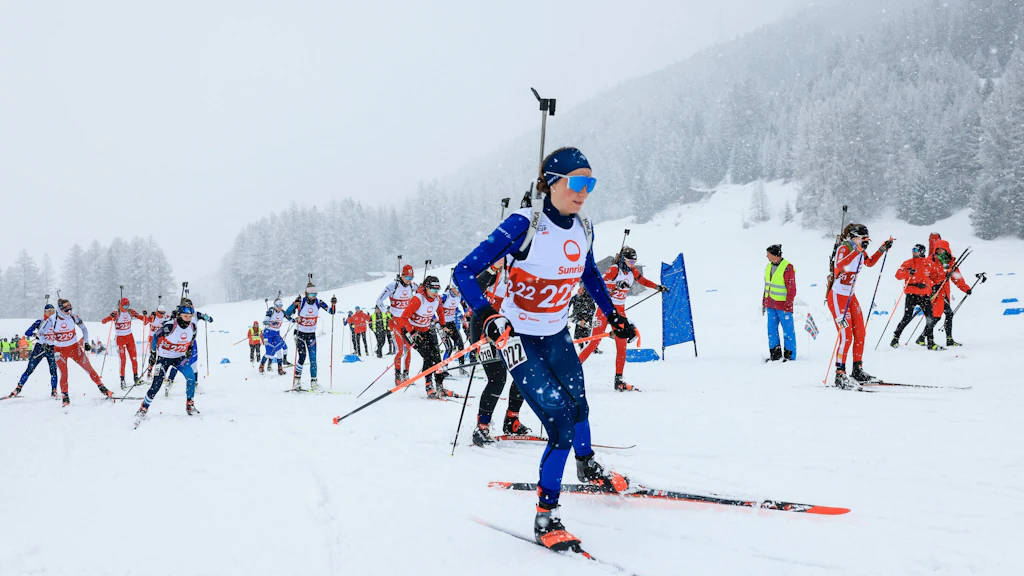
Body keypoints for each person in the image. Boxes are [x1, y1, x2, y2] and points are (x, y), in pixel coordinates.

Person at [454, 146, 635, 552]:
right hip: (519, 339)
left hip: (556, 335)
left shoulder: (584, 227)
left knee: (580, 405)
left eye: (590, 183)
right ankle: (546, 516)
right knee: (560, 425)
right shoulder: (524, 225)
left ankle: (587, 465)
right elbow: (463, 271)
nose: (584, 192)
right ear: (552, 183)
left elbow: (588, 273)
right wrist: (485, 313)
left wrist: (613, 316)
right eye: (577, 182)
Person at [577, 246, 667, 391]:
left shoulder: (632, 271)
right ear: (623, 260)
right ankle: (570, 371)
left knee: (622, 346)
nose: (632, 264)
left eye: (634, 262)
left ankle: (618, 380)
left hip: (620, 311)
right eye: (630, 262)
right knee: (594, 343)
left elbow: (643, 281)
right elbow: (600, 284)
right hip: (605, 310)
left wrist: (657, 287)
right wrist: (616, 284)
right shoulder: (614, 269)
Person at [465, 256, 532, 446]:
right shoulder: (496, 269)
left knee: (523, 376)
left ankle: (512, 420)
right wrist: (493, 268)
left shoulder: (526, 270)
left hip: (511, 330)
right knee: (497, 379)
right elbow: (474, 290)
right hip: (484, 328)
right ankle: (482, 426)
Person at [828, 224, 893, 388]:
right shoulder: (844, 248)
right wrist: (857, 250)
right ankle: (840, 374)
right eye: (863, 238)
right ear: (854, 237)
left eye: (867, 239)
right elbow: (840, 265)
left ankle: (857, 369)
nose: (865, 241)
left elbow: (869, 263)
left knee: (860, 333)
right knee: (846, 336)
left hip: (850, 296)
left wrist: (882, 249)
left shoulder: (860, 250)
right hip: (837, 297)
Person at [136, 299, 201, 419]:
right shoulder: (170, 326)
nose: (187, 319)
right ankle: (144, 407)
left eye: (190, 316)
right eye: (185, 316)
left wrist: (189, 349)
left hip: (179, 358)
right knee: (156, 384)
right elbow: (156, 337)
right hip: (164, 358)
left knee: (191, 377)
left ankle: (190, 405)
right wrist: (153, 354)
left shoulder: (193, 327)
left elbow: (192, 340)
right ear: (179, 315)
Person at [396, 275, 456, 398]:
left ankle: (440, 386)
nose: (436, 292)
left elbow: (440, 312)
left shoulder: (437, 299)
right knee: (428, 357)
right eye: (433, 289)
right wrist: (412, 332)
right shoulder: (418, 299)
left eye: (438, 289)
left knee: (437, 358)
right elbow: (403, 318)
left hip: (426, 329)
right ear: (427, 288)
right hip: (411, 331)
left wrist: (443, 326)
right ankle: (429, 386)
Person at [52, 299, 113, 406]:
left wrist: (87, 342)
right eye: (66, 310)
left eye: (70, 309)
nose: (69, 312)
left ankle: (102, 388)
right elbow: (42, 332)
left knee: (89, 368)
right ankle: (65, 397)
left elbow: (84, 329)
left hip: (74, 348)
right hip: (60, 351)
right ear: (60, 309)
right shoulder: (53, 319)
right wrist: (47, 344)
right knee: (64, 373)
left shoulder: (73, 316)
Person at [284, 283, 336, 391]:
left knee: (313, 359)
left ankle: (314, 382)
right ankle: (297, 381)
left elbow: (332, 312)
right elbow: (287, 314)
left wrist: (333, 303)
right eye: (311, 294)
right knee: (302, 356)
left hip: (311, 334)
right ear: (306, 294)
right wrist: (294, 305)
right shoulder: (301, 302)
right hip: (299, 333)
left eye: (315, 294)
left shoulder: (318, 302)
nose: (313, 296)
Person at [891, 244, 943, 349]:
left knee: (930, 318)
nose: (913, 252)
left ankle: (931, 342)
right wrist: (908, 273)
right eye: (913, 250)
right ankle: (895, 338)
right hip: (911, 294)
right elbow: (898, 275)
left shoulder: (929, 263)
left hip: (924, 295)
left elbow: (936, 277)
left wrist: (931, 284)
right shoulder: (908, 263)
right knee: (907, 317)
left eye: (916, 250)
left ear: (922, 252)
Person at [6, 304, 59, 399]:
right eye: (49, 311)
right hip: (40, 348)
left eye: (53, 311)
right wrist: (35, 334)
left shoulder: (56, 322)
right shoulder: (40, 321)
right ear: (45, 312)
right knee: (30, 369)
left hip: (51, 348)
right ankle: (18, 388)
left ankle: (54, 391)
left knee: (53, 371)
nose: (51, 313)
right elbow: (27, 332)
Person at [376, 265, 418, 384]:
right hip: (395, 322)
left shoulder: (412, 286)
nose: (409, 280)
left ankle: (406, 375)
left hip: (407, 322)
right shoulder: (393, 286)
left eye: (411, 277)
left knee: (408, 349)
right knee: (399, 350)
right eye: (408, 277)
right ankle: (398, 376)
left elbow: (422, 291)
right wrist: (386, 312)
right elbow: (379, 301)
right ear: (402, 275)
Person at [100, 297, 147, 389]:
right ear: (120, 305)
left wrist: (145, 315)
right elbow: (103, 322)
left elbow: (144, 320)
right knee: (123, 360)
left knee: (134, 358)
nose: (126, 308)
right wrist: (110, 317)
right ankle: (122, 380)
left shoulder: (130, 312)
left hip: (130, 338)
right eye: (124, 306)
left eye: (128, 306)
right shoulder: (117, 313)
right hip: (120, 339)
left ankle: (136, 378)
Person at [762, 244, 797, 361]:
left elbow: (791, 289)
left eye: (768, 254)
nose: (767, 256)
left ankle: (789, 356)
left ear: (775, 255)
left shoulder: (787, 268)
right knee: (772, 331)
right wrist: (764, 300)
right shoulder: (769, 266)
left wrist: (788, 304)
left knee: (788, 331)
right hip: (771, 305)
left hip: (783, 306)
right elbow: (767, 285)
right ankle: (775, 355)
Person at [439, 283, 468, 373]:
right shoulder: (445, 296)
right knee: (449, 347)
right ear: (452, 288)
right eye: (457, 289)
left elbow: (464, 304)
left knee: (460, 344)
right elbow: (435, 306)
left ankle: (461, 367)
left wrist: (466, 314)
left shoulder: (459, 296)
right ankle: (444, 369)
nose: (459, 291)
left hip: (451, 323)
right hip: (442, 324)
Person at [259, 299, 289, 375]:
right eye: (278, 306)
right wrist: (272, 322)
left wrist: (295, 320)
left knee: (278, 349)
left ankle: (280, 369)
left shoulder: (282, 312)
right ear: (275, 305)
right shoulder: (271, 311)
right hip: (267, 334)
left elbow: (289, 318)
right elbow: (264, 322)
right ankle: (262, 365)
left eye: (281, 306)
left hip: (276, 334)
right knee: (269, 353)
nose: (280, 308)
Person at [568, 285, 597, 351]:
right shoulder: (575, 297)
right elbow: (568, 307)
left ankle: (591, 346)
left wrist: (585, 319)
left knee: (589, 332)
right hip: (578, 317)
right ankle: (582, 345)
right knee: (581, 331)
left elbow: (592, 310)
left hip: (588, 317)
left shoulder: (589, 298)